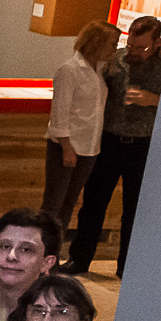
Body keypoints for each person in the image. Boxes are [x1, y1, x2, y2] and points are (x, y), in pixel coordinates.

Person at [66, 16, 161, 276]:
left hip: (144, 146)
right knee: (93, 204)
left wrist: (154, 99)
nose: (133, 51)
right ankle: (80, 258)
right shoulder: (114, 60)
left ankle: (127, 267)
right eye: (130, 45)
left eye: (141, 48)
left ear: (157, 43)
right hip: (109, 141)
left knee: (135, 209)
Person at [43, 19, 121, 229]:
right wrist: (67, 147)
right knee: (54, 203)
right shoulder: (70, 70)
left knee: (70, 202)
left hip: (89, 147)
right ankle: (41, 250)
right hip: (66, 146)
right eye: (112, 44)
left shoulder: (100, 71)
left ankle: (54, 251)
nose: (114, 49)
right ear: (97, 42)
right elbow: (60, 112)